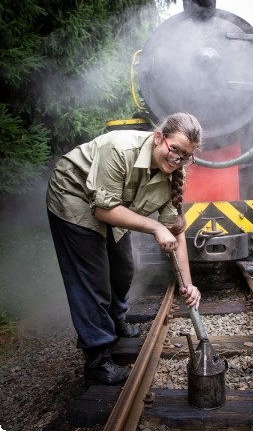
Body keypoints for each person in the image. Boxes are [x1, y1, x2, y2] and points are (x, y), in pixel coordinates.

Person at [46, 112, 203, 385]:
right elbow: (104, 210)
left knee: (123, 269)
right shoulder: (120, 148)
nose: (177, 160)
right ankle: (98, 358)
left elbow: (176, 233)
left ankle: (116, 321)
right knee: (93, 280)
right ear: (158, 138)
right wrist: (155, 227)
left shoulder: (175, 173)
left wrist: (188, 286)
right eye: (174, 149)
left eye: (186, 156)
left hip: (112, 203)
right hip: (74, 196)